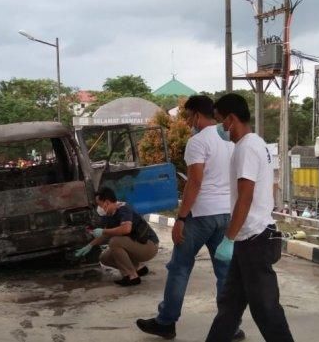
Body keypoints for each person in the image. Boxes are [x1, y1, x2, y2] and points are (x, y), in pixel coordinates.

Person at [136, 95, 243, 340]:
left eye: (188, 117)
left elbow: (195, 181)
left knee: (180, 268)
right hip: (226, 214)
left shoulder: (197, 142)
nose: (188, 122)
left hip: (201, 215)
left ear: (196, 115)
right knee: (225, 273)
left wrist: (181, 218)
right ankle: (230, 326)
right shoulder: (231, 140)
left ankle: (166, 322)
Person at [206, 93, 294, 342]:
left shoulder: (246, 148)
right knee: (230, 306)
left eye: (219, 121)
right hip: (249, 238)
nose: (219, 128)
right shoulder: (256, 143)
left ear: (231, 119)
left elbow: (245, 197)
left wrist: (228, 238)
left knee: (266, 309)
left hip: (253, 239)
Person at [74, 187, 159, 286]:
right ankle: (138, 268)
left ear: (107, 202)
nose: (99, 208)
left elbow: (126, 229)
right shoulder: (109, 215)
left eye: (100, 204)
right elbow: (106, 234)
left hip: (149, 246)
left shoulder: (124, 209)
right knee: (104, 257)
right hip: (136, 245)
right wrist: (89, 246)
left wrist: (103, 231)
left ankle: (132, 277)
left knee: (115, 242)